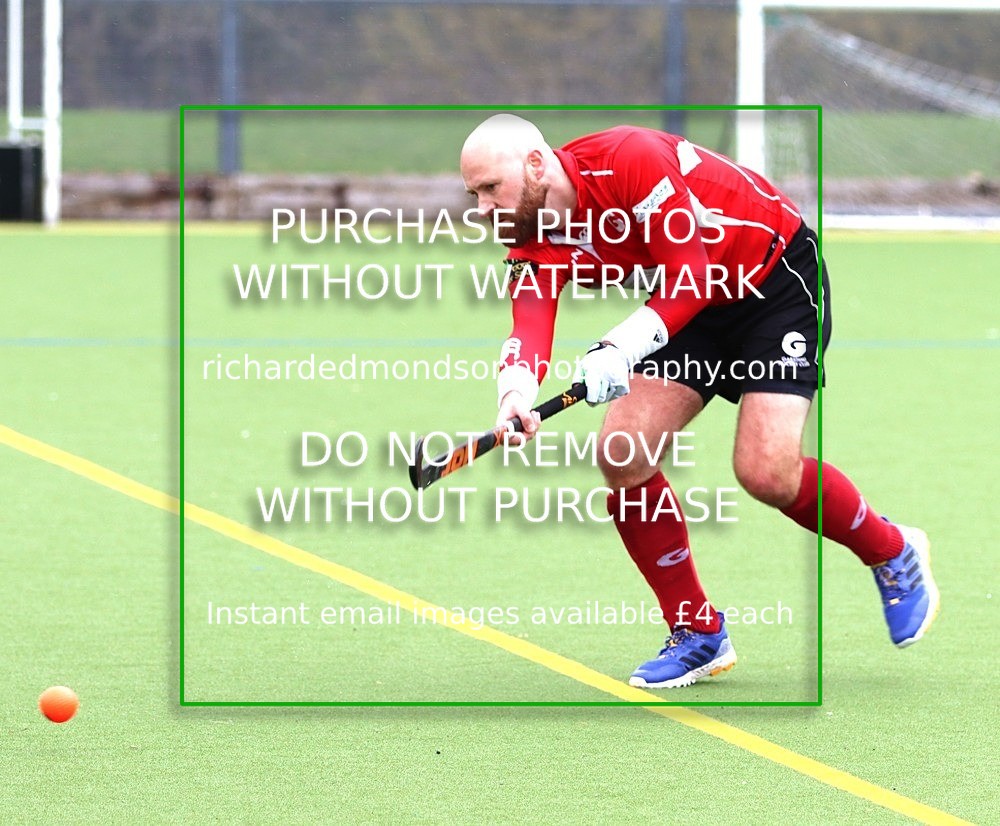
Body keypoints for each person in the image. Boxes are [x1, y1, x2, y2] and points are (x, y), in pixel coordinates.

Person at [459, 113, 939, 689]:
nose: (483, 208)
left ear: (536, 164)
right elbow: (530, 323)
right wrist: (515, 394)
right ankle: (697, 631)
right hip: (687, 305)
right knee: (623, 453)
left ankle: (892, 550)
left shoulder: (628, 159)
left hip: (773, 282)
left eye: (491, 188)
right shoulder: (528, 234)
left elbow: (693, 269)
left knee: (766, 473)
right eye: (474, 194)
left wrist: (618, 347)